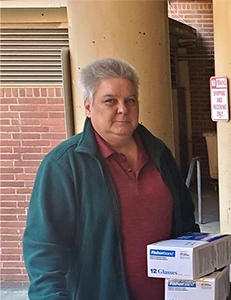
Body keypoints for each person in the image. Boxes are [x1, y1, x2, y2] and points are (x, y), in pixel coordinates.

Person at [23, 57, 199, 300]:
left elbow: (186, 225)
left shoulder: (160, 154)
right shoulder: (63, 166)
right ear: (88, 106)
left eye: (130, 100)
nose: (123, 109)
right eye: (110, 101)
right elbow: (43, 250)